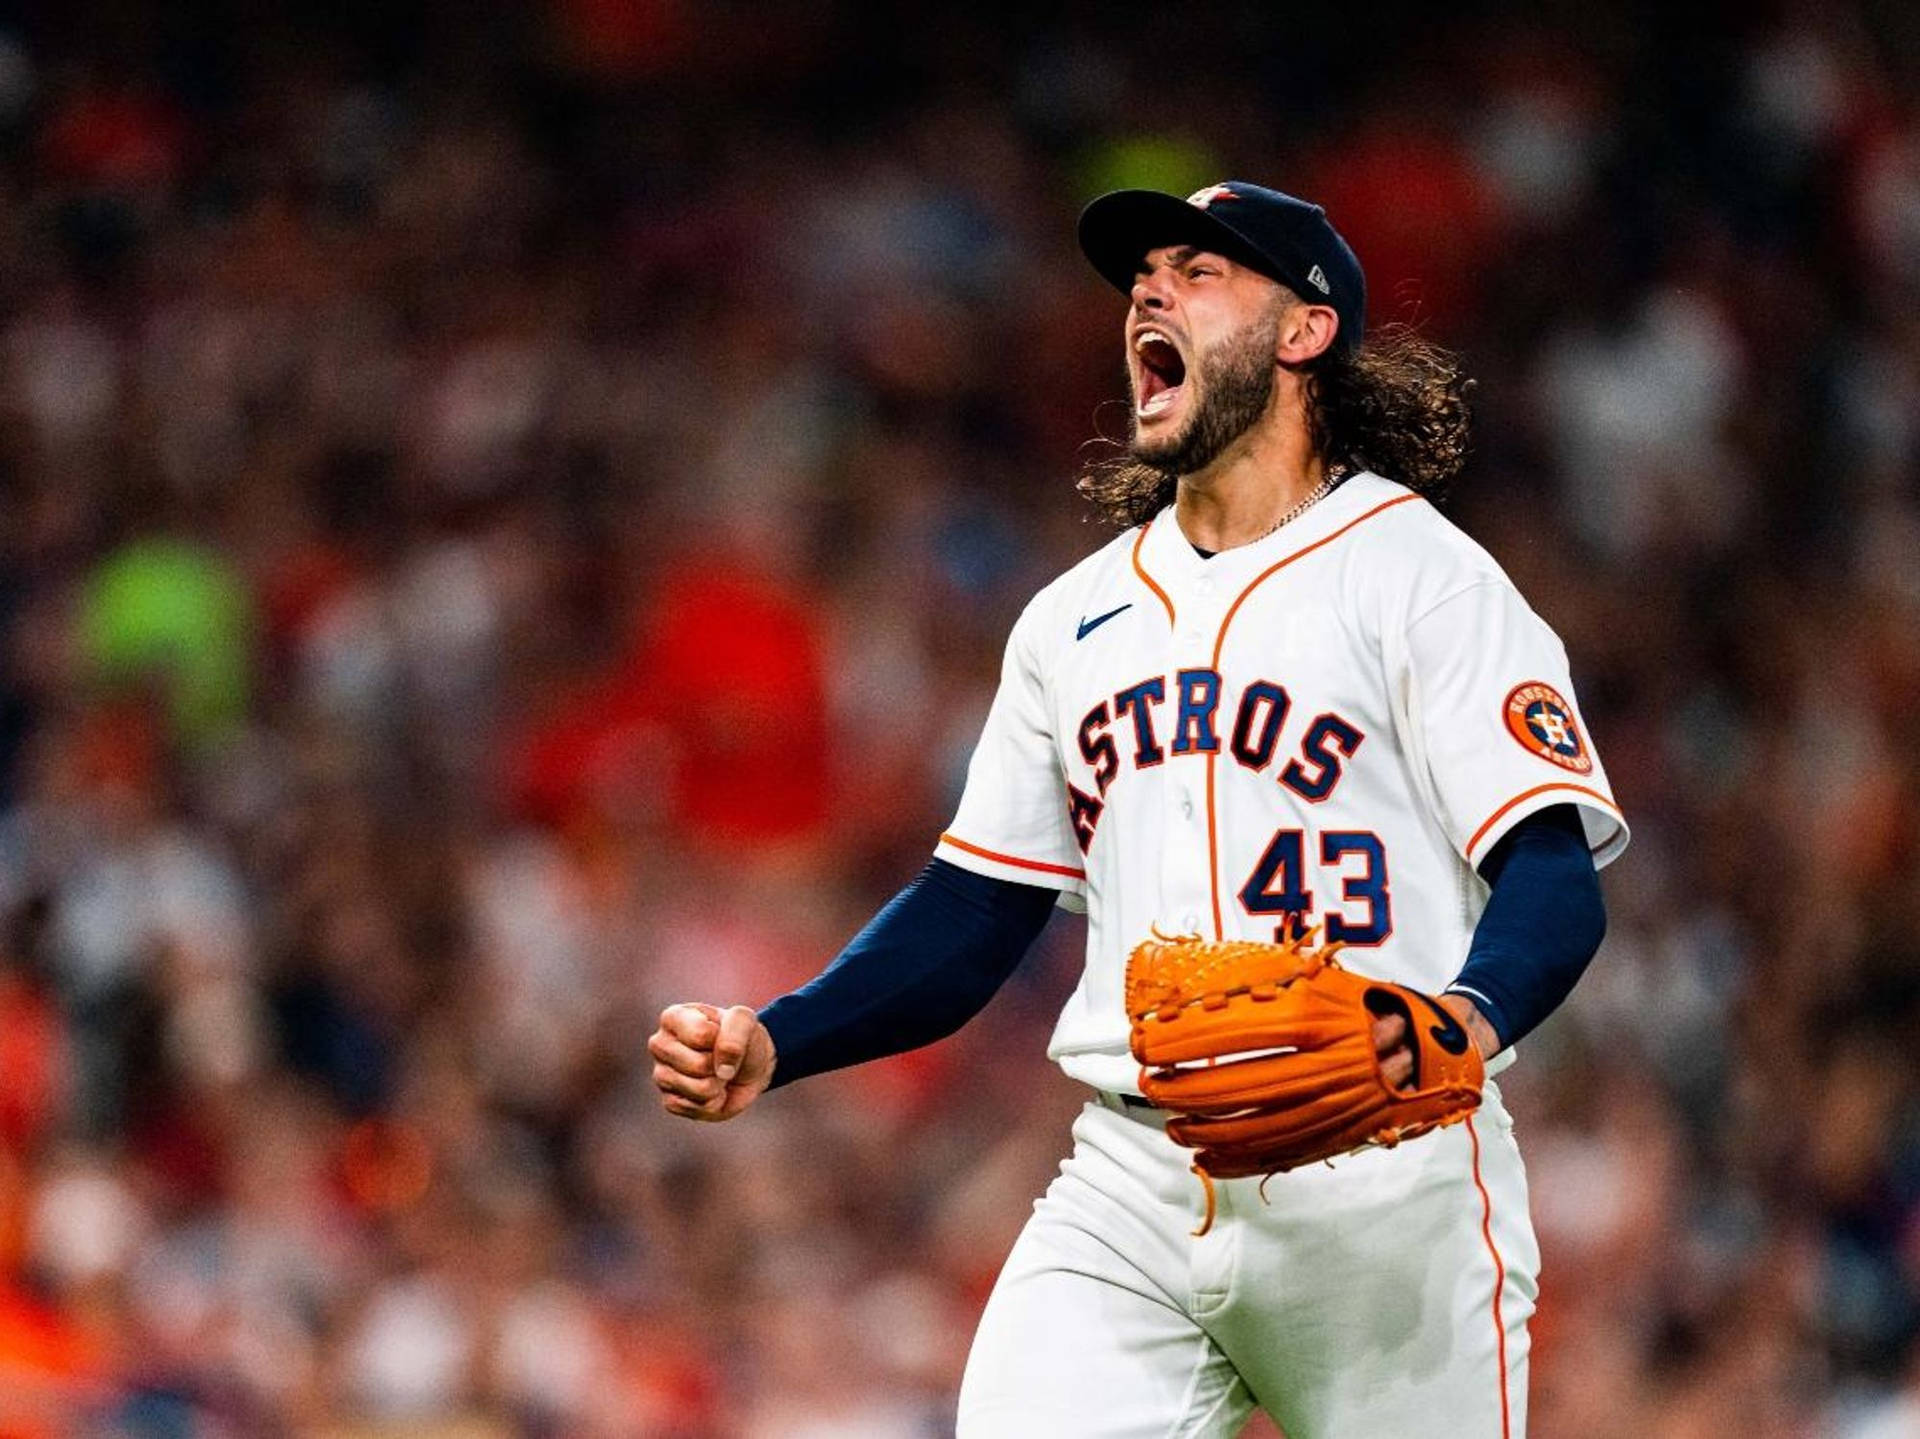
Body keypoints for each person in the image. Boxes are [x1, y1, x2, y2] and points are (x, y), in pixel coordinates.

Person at [648, 181, 1627, 1437]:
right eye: (1142, 273)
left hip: (1386, 1174)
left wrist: (1465, 1019)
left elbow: (1552, 867)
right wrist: (787, 1038)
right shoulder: (1072, 618)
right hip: (1136, 1175)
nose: (1148, 293)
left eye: (1199, 270)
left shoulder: (1422, 576)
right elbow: (975, 908)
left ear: (1304, 331)